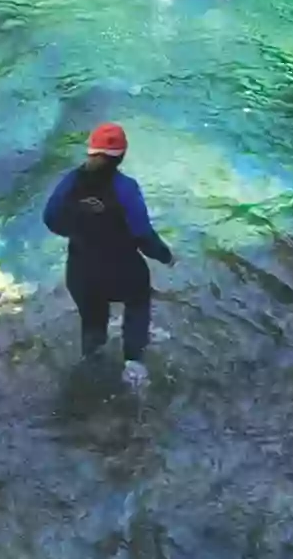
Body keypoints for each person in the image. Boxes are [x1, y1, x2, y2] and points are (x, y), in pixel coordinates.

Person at [41, 122, 175, 388]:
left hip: (81, 272)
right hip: (122, 271)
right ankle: (133, 365)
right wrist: (165, 256)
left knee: (92, 323)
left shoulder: (70, 182)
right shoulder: (125, 188)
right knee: (137, 302)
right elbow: (143, 235)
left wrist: (79, 228)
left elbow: (51, 220)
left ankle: (90, 373)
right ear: (122, 156)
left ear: (90, 151)